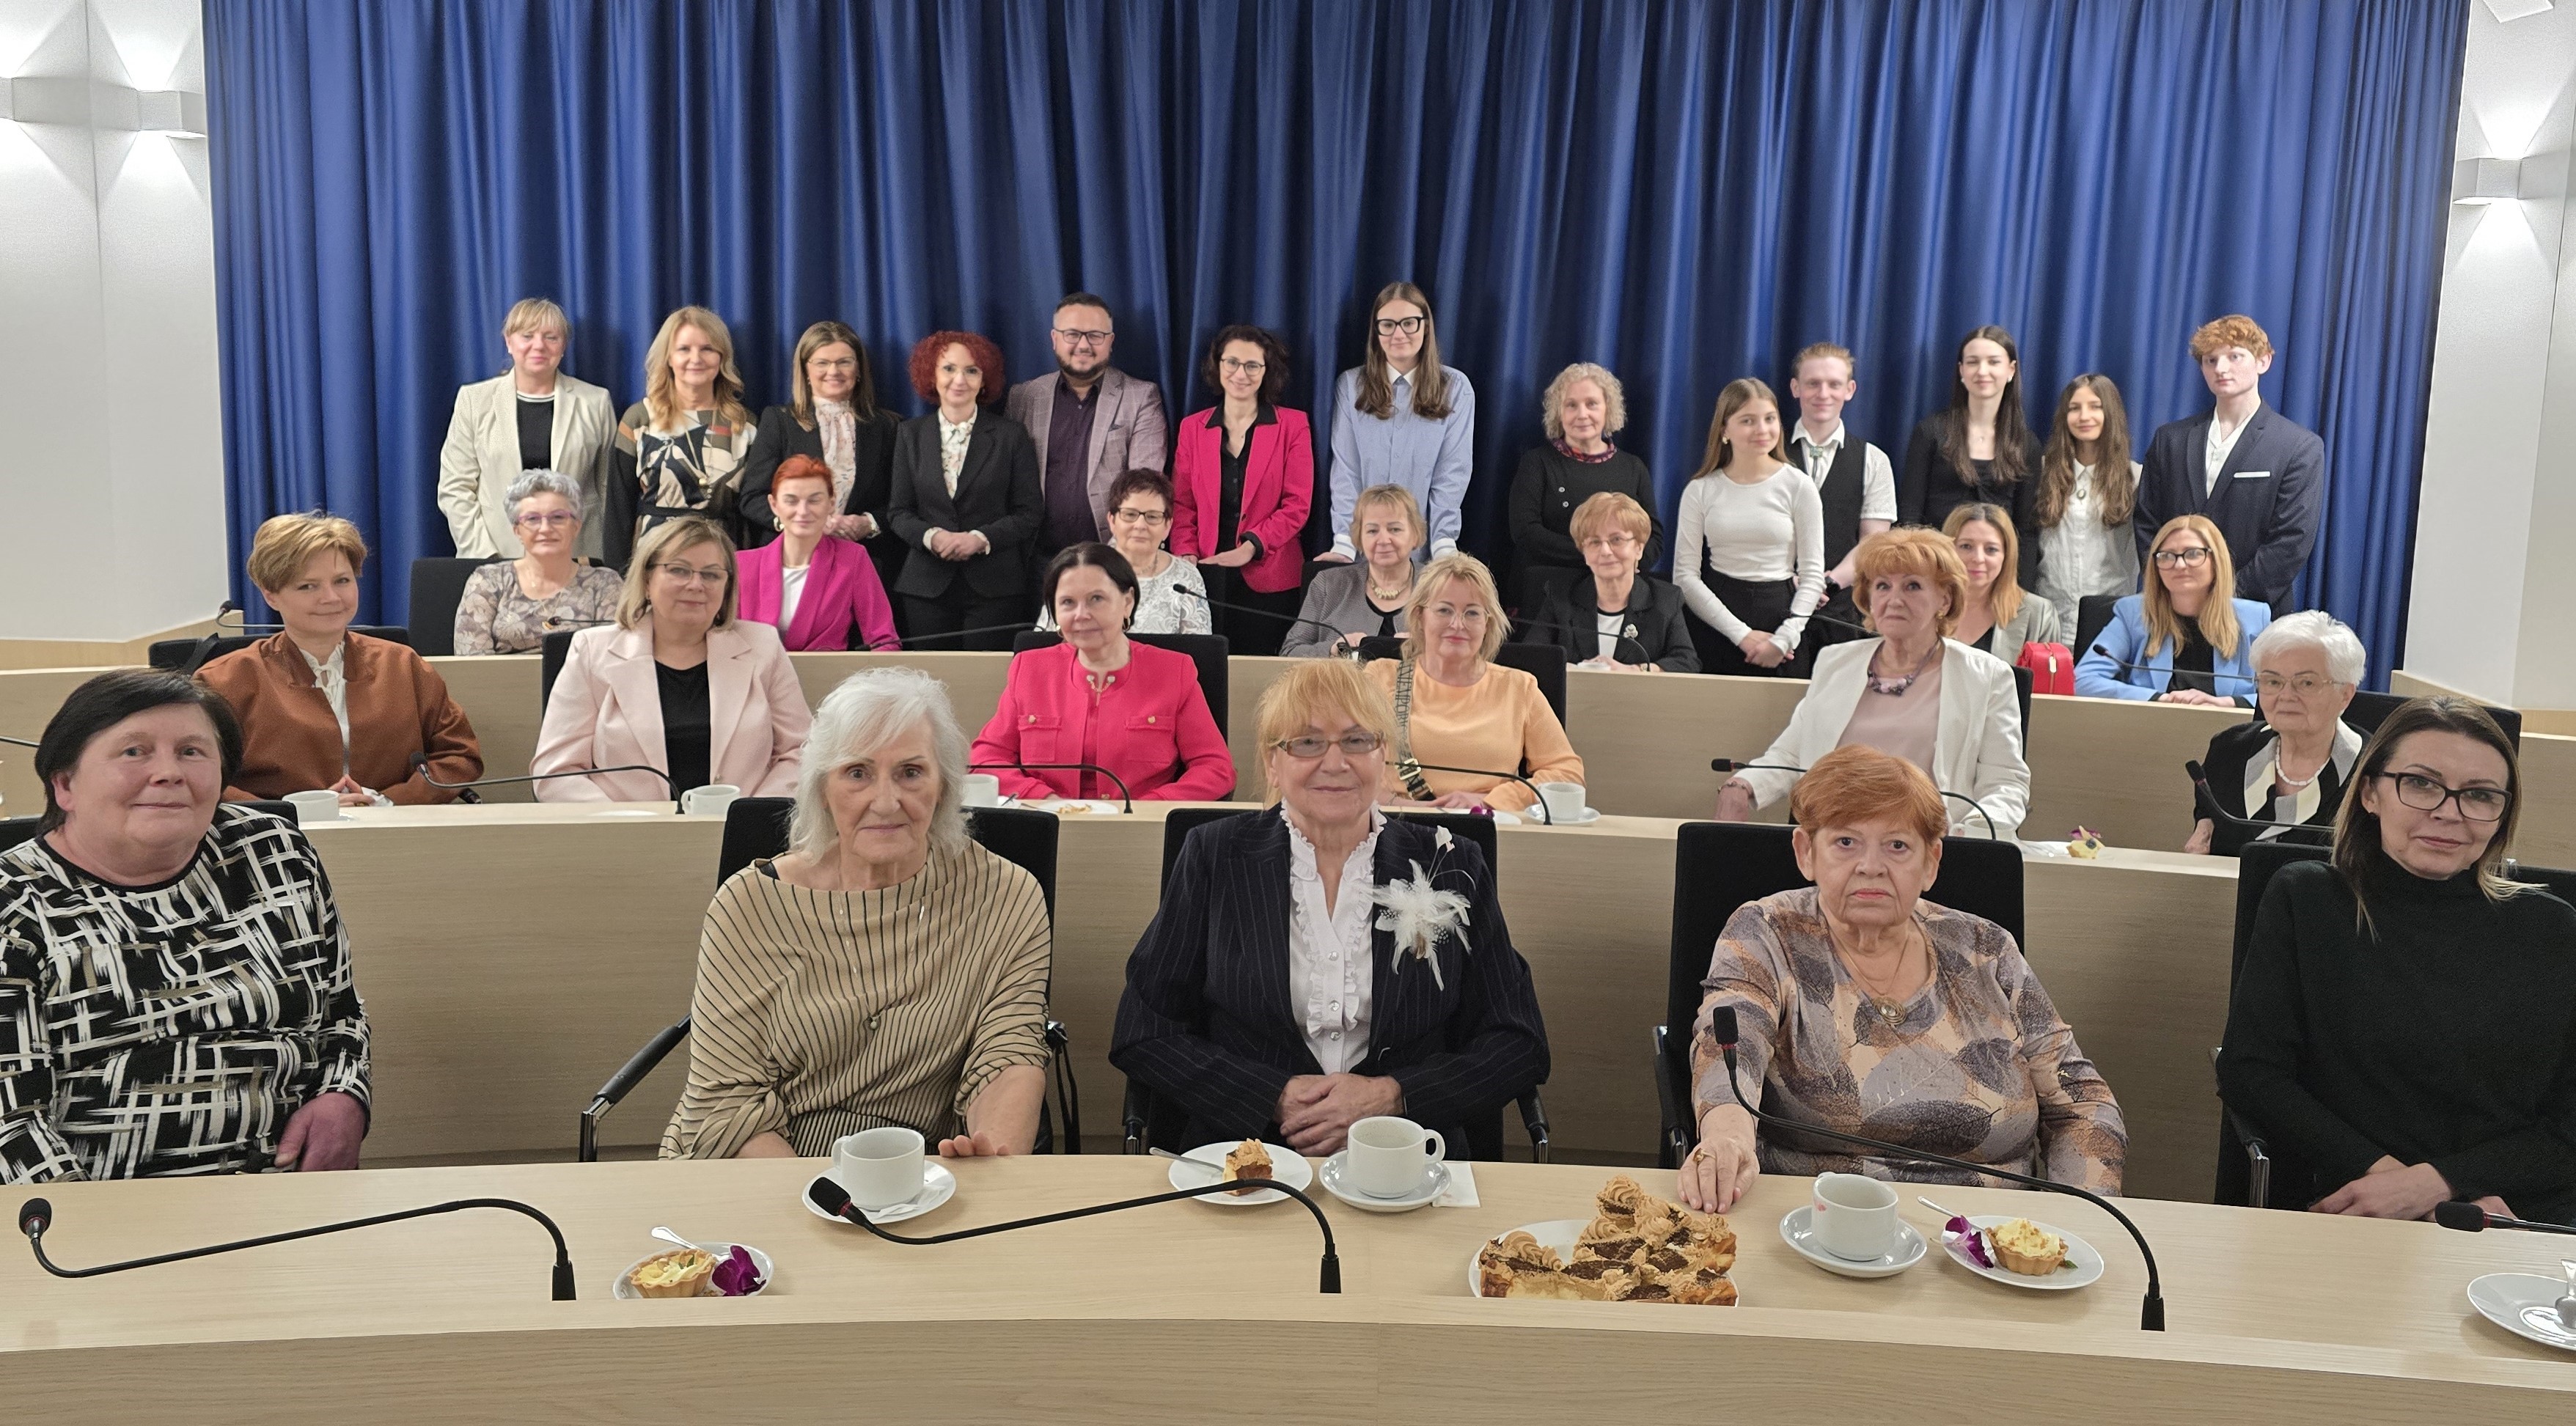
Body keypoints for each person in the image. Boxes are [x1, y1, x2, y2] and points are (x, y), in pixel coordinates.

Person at [1110, 658, 1550, 1153]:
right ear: (1272, 762)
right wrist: (1271, 1096)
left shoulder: (1450, 862)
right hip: (1245, 1156)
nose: (1335, 762)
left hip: (1408, 1155)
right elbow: (1143, 1030)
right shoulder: (1213, 855)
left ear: (1384, 755)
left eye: (1357, 740)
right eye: (1307, 742)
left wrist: (1394, 1097)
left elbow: (1518, 1042)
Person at [1678, 746, 2126, 1211]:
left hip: (1991, 1229)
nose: (1871, 866)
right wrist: (1727, 1137)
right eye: (1846, 842)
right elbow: (1731, 1044)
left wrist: (2078, 1221)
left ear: (1931, 861)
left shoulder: (1987, 948)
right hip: (1818, 1219)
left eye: (1897, 846)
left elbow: (2083, 1103)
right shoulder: (1767, 931)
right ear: (1806, 853)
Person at [661, 667, 1052, 1160]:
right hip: (756, 1165)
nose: (885, 802)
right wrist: (819, 1195)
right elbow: (725, 1105)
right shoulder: (747, 907)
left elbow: (1008, 1052)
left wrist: (994, 1163)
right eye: (857, 773)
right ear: (823, 790)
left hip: (912, 1171)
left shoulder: (1005, 896)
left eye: (911, 772)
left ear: (944, 786)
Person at [0, 670, 370, 1182]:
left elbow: (341, 1013)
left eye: (192, 752)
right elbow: (12, 1126)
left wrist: (345, 1093)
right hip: (105, 1205)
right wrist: (96, 1223)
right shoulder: (15, 903)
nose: (169, 773)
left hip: (292, 1188)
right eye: (134, 752)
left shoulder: (274, 854)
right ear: (65, 784)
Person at [2218, 697, 2576, 1224]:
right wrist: (2392, 1183)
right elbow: (2251, 1071)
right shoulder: (2308, 899)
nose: (2449, 812)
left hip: (2505, 1210)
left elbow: (2567, 1123)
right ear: (2370, 792)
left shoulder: (2553, 929)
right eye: (2422, 784)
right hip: (2351, 1199)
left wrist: (2440, 1186)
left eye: (2479, 795)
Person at [1714, 529, 2029, 840]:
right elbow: (1791, 755)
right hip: (1835, 843)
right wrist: (1742, 785)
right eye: (1882, 586)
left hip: (1932, 847)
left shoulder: (1986, 677)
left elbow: (2006, 784)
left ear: (1945, 599)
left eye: (1912, 586)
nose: (1894, 600)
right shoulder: (1835, 663)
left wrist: (1967, 832)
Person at [200, 513, 482, 805]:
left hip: (392, 825)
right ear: (270, 595)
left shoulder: (403, 665)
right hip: (279, 830)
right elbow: (199, 774)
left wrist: (386, 801)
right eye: (308, 586)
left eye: (342, 581)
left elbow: (460, 755)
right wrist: (295, 811)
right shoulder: (224, 680)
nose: (331, 597)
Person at [532, 516, 809, 801]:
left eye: (712, 575)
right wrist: (623, 820)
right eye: (679, 570)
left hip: (739, 825)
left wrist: (749, 816)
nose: (696, 584)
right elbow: (555, 771)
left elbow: (801, 753)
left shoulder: (763, 646)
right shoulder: (592, 651)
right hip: (625, 825)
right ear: (647, 580)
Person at [972, 543, 1233, 802]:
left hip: (1141, 824)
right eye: (1067, 602)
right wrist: (1044, 798)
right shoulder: (1030, 669)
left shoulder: (1174, 671)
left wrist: (1151, 807)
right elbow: (986, 759)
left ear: (1127, 602)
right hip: (1049, 821)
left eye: (1096, 599)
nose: (1081, 615)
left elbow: (1215, 768)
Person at [1362, 553, 1582, 814]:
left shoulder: (1519, 688)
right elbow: (1345, 762)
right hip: (1395, 823)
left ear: (1487, 624)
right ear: (1420, 616)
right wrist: (1404, 806)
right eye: (1444, 610)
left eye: (1472, 613)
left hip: (1488, 825)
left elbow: (1568, 775)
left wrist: (1491, 801)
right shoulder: (1379, 677)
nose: (1458, 624)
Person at [2135, 315, 2325, 615]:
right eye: (2211, 360)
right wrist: (2173, 586)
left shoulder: (2298, 446)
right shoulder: (2170, 440)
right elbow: (2148, 523)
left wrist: (2221, 596)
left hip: (2252, 613)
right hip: (2172, 610)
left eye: (2234, 356)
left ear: (2263, 361)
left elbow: (2290, 542)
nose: (2221, 369)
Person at [886, 329, 1043, 649]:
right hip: (925, 586)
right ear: (931, 375)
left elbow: (1029, 512)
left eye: (972, 370)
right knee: (929, 677)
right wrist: (932, 537)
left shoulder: (1011, 436)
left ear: (984, 380)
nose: (960, 380)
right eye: (949, 369)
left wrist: (979, 539)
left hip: (995, 587)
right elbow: (899, 512)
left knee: (984, 676)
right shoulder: (909, 434)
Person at [436, 297, 619, 561]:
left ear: (563, 346)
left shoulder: (596, 402)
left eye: (551, 337)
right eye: (527, 336)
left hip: (576, 558)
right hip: (497, 556)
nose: (539, 345)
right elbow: (455, 487)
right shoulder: (474, 401)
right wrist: (486, 556)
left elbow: (609, 488)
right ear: (509, 342)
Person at [1169, 325, 1311, 655]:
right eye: (1232, 362)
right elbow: (1182, 503)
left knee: (1262, 673)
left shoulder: (1293, 425)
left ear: (1266, 371)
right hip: (1204, 573)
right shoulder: (1192, 428)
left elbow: (1297, 504)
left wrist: (1251, 547)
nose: (1240, 374)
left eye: (1252, 366)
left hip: (1269, 575)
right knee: (1208, 670)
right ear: (1218, 365)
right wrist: (1186, 554)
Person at [1672, 378, 1826, 677]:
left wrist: (1785, 638)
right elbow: (1685, 576)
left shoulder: (1799, 486)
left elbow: (1812, 575)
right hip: (1716, 619)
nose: (1762, 430)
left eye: (1770, 419)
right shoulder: (1700, 490)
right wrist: (1740, 634)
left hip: (1783, 623)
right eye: (1747, 421)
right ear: (1724, 430)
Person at [738, 319, 906, 589]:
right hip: (790, 563)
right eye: (822, 363)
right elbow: (752, 498)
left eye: (844, 362)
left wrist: (869, 523)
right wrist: (802, 523)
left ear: (859, 369)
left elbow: (902, 501)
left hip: (865, 563)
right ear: (806, 370)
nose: (833, 371)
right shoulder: (779, 421)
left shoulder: (889, 426)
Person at [2185, 611, 2369, 856]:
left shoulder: (2373, 770)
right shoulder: (2228, 750)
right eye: (2273, 682)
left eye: (2306, 683)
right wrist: (2204, 827)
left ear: (2345, 694)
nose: (2286, 696)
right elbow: (2207, 813)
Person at [1005, 293, 1170, 556]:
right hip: (1035, 559)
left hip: (1111, 556)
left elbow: (1145, 488)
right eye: (1072, 334)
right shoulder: (1024, 397)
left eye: (1095, 335)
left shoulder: (1141, 397)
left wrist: (1117, 557)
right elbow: (1007, 481)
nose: (1083, 345)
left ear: (1111, 341)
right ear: (1055, 339)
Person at [1322, 282, 1475, 563]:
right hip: (1363, 550)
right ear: (1376, 331)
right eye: (1388, 325)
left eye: (1409, 323)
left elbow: (1452, 473)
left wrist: (1443, 543)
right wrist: (1344, 541)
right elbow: (1346, 472)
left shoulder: (1456, 388)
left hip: (1423, 551)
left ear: (1425, 326)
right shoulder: (1351, 385)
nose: (1398, 334)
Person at [605, 305, 758, 567]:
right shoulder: (640, 419)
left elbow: (751, 510)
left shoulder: (745, 425)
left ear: (722, 358)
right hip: (654, 561)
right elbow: (618, 509)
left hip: (722, 562)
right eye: (684, 349)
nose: (696, 359)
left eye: (707, 349)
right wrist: (616, 576)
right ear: (668, 357)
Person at [1505, 362, 1661, 608]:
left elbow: (1653, 537)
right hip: (1547, 596)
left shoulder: (1634, 468)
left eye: (1592, 404)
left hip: (1617, 598)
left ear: (1608, 408)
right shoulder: (1537, 463)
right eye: (1571, 405)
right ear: (1559, 412)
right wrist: (1600, 557)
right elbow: (1526, 532)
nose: (1582, 414)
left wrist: (1620, 563)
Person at [2076, 514, 2272, 706]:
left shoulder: (2255, 618)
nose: (2179, 565)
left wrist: (2228, 703)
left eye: (2193, 554)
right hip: (2154, 724)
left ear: (2216, 561)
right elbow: (2084, 680)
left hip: (2229, 725)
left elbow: (2284, 690)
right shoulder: (2133, 613)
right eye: (2167, 556)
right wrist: (2161, 700)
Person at [1898, 326, 2040, 584]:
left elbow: (2027, 532)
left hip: (1997, 582)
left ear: (2011, 370)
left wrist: (2019, 593)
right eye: (1973, 362)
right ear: (1961, 371)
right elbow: (1910, 517)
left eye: (1993, 362)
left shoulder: (2026, 444)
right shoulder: (1930, 432)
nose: (1982, 371)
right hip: (1936, 576)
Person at [1783, 342, 1897, 647]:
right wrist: (1787, 581)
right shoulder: (1768, 452)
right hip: (1776, 608)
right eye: (1813, 383)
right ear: (1795, 388)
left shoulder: (1874, 460)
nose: (1823, 394)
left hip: (1842, 615)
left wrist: (1828, 584)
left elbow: (1873, 542)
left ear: (1850, 390)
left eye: (1834, 384)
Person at [1518, 492, 1697, 673]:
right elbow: (1533, 656)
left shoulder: (1665, 600)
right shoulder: (1560, 596)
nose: (1605, 551)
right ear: (1584, 552)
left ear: (1639, 548)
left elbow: (1687, 662)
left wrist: (1636, 670)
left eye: (1616, 540)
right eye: (1595, 542)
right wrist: (1567, 669)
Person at [734, 455, 899, 651]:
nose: (803, 511)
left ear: (831, 503)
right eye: (791, 501)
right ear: (774, 505)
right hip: (756, 671)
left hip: (828, 671)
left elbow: (884, 640)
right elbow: (724, 639)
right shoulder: (742, 564)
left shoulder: (853, 558)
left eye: (814, 500)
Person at [451, 468, 624, 655]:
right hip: (499, 675)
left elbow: (612, 658)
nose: (545, 528)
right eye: (532, 519)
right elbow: (472, 663)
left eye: (558, 517)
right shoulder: (487, 581)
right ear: (517, 530)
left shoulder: (605, 584)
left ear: (576, 526)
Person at [2033, 374, 2142, 631]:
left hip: (2110, 619)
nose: (2084, 416)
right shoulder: (2042, 472)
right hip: (2049, 616)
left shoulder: (2135, 478)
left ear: (2110, 413)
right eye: (2075, 408)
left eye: (2095, 407)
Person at [1040, 470, 1208, 636]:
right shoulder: (1079, 569)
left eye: (1152, 517)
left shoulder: (1186, 576)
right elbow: (1046, 639)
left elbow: (1200, 647)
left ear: (1167, 526)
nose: (1140, 525)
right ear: (1112, 521)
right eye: (1130, 515)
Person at [1283, 484, 1423, 658]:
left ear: (1415, 535)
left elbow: (1457, 653)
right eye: (1372, 530)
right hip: (1339, 677)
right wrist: (1333, 650)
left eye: (1395, 529)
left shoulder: (1440, 586)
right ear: (1359, 538)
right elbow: (1289, 653)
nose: (1383, 540)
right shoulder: (1327, 584)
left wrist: (1428, 649)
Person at [1942, 502, 2061, 661]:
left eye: (1991, 549)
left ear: (2006, 556)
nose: (1978, 558)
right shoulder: (1925, 607)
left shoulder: (2039, 614)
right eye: (1966, 546)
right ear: (1947, 550)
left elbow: (2048, 675)